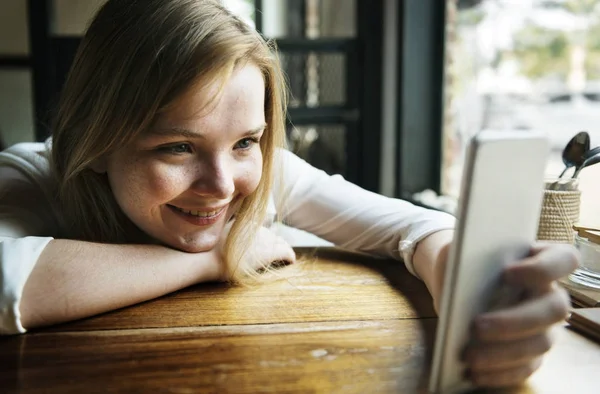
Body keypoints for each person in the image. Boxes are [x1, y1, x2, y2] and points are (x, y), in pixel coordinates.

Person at [0, 0, 578, 389]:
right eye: (177, 147)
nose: (223, 185)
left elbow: (411, 227)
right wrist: (216, 255)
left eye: (246, 141)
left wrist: (479, 288)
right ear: (97, 142)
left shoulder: (270, 173)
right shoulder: (31, 175)